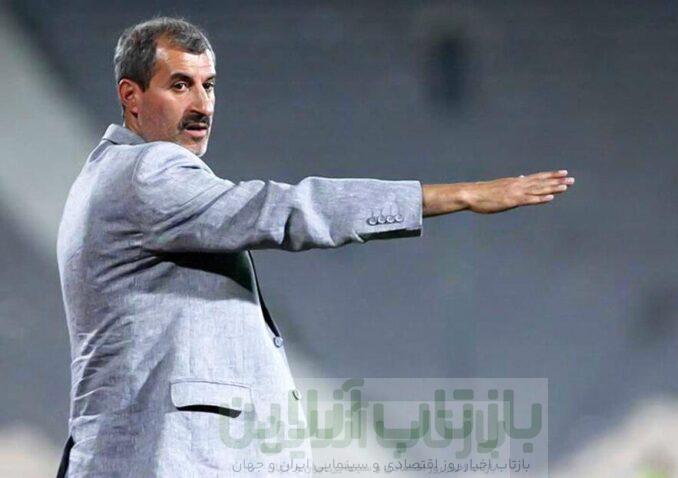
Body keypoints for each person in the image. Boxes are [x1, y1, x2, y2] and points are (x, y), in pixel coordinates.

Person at [55, 16, 574, 478]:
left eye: (208, 86)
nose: (202, 106)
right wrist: (454, 196)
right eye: (180, 85)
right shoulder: (149, 172)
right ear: (131, 96)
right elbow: (287, 210)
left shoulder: (103, 178)